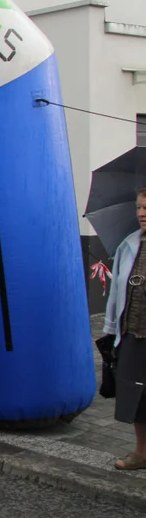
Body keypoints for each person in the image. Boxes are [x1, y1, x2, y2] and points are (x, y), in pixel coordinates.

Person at [100, 188, 146, 471]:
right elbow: (116, 293)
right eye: (139, 207)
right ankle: (142, 452)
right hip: (131, 332)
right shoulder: (128, 244)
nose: (142, 213)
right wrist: (109, 329)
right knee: (137, 396)